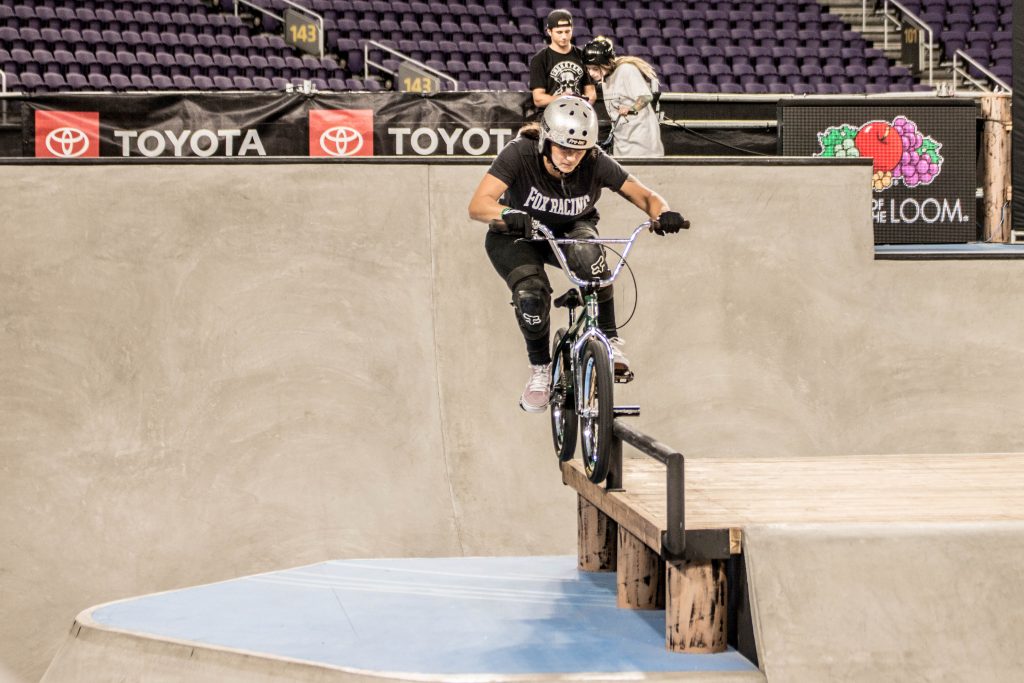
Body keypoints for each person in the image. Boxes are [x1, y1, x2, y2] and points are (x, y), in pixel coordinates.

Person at [467, 96, 688, 413]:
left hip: (571, 231)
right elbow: (478, 205)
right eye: (563, 149)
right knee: (531, 294)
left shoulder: (596, 161)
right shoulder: (519, 154)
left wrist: (664, 213)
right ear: (546, 140)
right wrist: (507, 212)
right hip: (519, 234)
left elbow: (645, 196)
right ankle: (540, 370)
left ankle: (609, 342)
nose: (571, 158)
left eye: (579, 151)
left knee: (591, 257)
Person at [583, 37, 665, 158]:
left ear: (607, 63)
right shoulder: (605, 79)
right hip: (622, 142)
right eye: (589, 68)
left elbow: (646, 97)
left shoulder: (626, 70)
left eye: (595, 68)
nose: (591, 73)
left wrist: (632, 108)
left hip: (641, 142)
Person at [528, 9, 596, 110]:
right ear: (549, 32)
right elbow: (538, 99)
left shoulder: (583, 56)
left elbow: (591, 93)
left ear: (572, 29)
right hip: (551, 115)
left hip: (578, 114)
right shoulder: (540, 59)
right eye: (559, 32)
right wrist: (565, 99)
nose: (564, 36)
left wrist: (580, 107)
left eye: (567, 31)